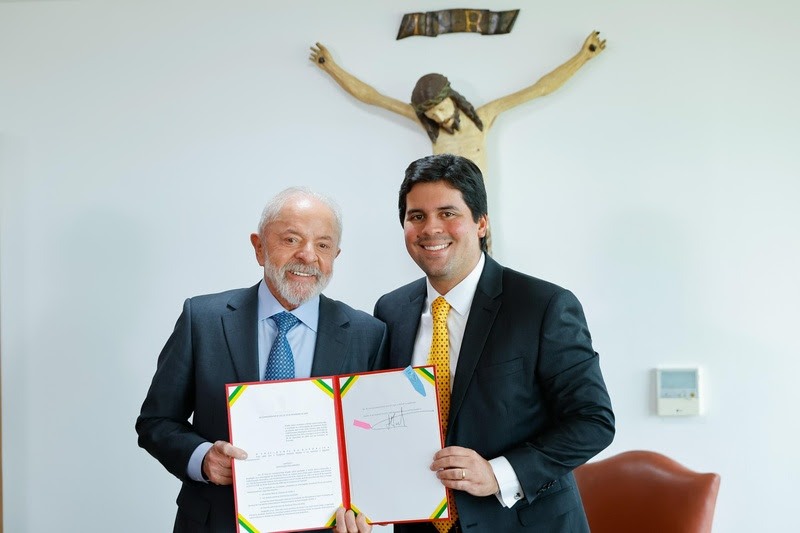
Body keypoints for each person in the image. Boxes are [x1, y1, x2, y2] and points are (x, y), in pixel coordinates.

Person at [373, 154, 615, 532]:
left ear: (481, 223)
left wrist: (498, 473)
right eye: (416, 216)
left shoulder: (543, 306)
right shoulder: (390, 310)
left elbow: (593, 421)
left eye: (448, 213)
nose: (430, 228)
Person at [136, 187, 382, 533]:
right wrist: (202, 458)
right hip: (216, 523)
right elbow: (156, 422)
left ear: (335, 255)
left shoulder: (367, 334)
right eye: (291, 239)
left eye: (323, 245)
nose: (308, 256)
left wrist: (364, 507)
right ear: (259, 247)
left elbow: (374, 441)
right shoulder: (202, 320)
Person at [310, 32, 606, 254]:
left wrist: (584, 56)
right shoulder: (432, 129)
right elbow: (374, 98)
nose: (439, 117)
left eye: (441, 108)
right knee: (446, 257)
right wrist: (330, 67)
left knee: (485, 261)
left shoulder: (483, 117)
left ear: (452, 98)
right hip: (443, 206)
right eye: (432, 114)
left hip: (474, 203)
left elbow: (539, 89)